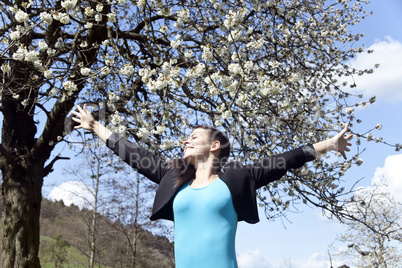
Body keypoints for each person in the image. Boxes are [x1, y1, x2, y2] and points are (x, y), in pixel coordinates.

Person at [71, 104, 353, 268]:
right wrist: (95, 126)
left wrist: (329, 144)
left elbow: (284, 161)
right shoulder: (174, 179)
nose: (186, 141)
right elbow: (133, 153)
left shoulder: (237, 178)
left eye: (194, 137)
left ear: (214, 145)